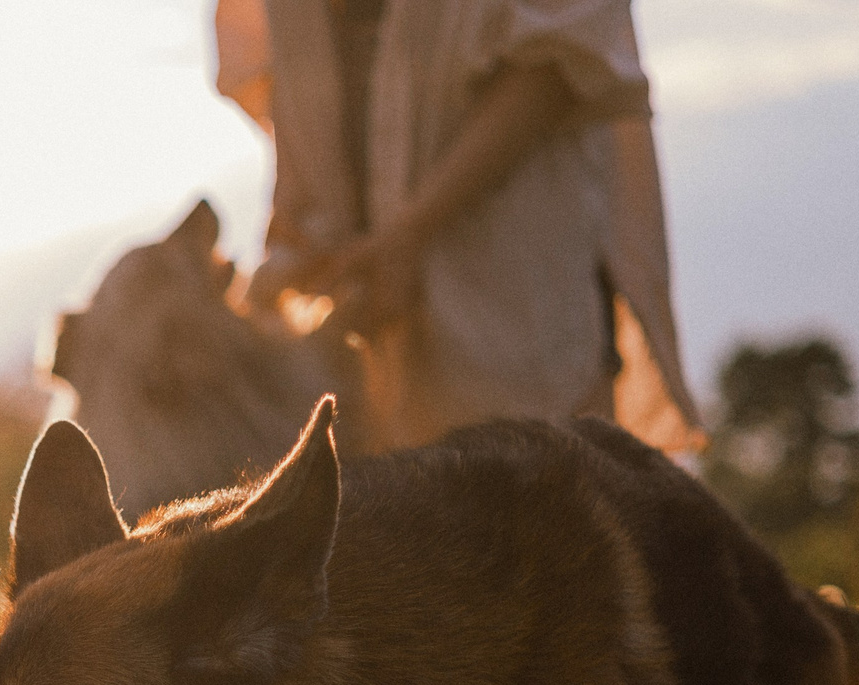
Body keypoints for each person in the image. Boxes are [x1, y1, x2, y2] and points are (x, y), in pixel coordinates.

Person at [215, 0, 702, 453]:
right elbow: (290, 66)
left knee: (538, 504)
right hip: (364, 330)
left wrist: (406, 237)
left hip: (511, 299)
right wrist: (300, 227)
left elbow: (559, 62)